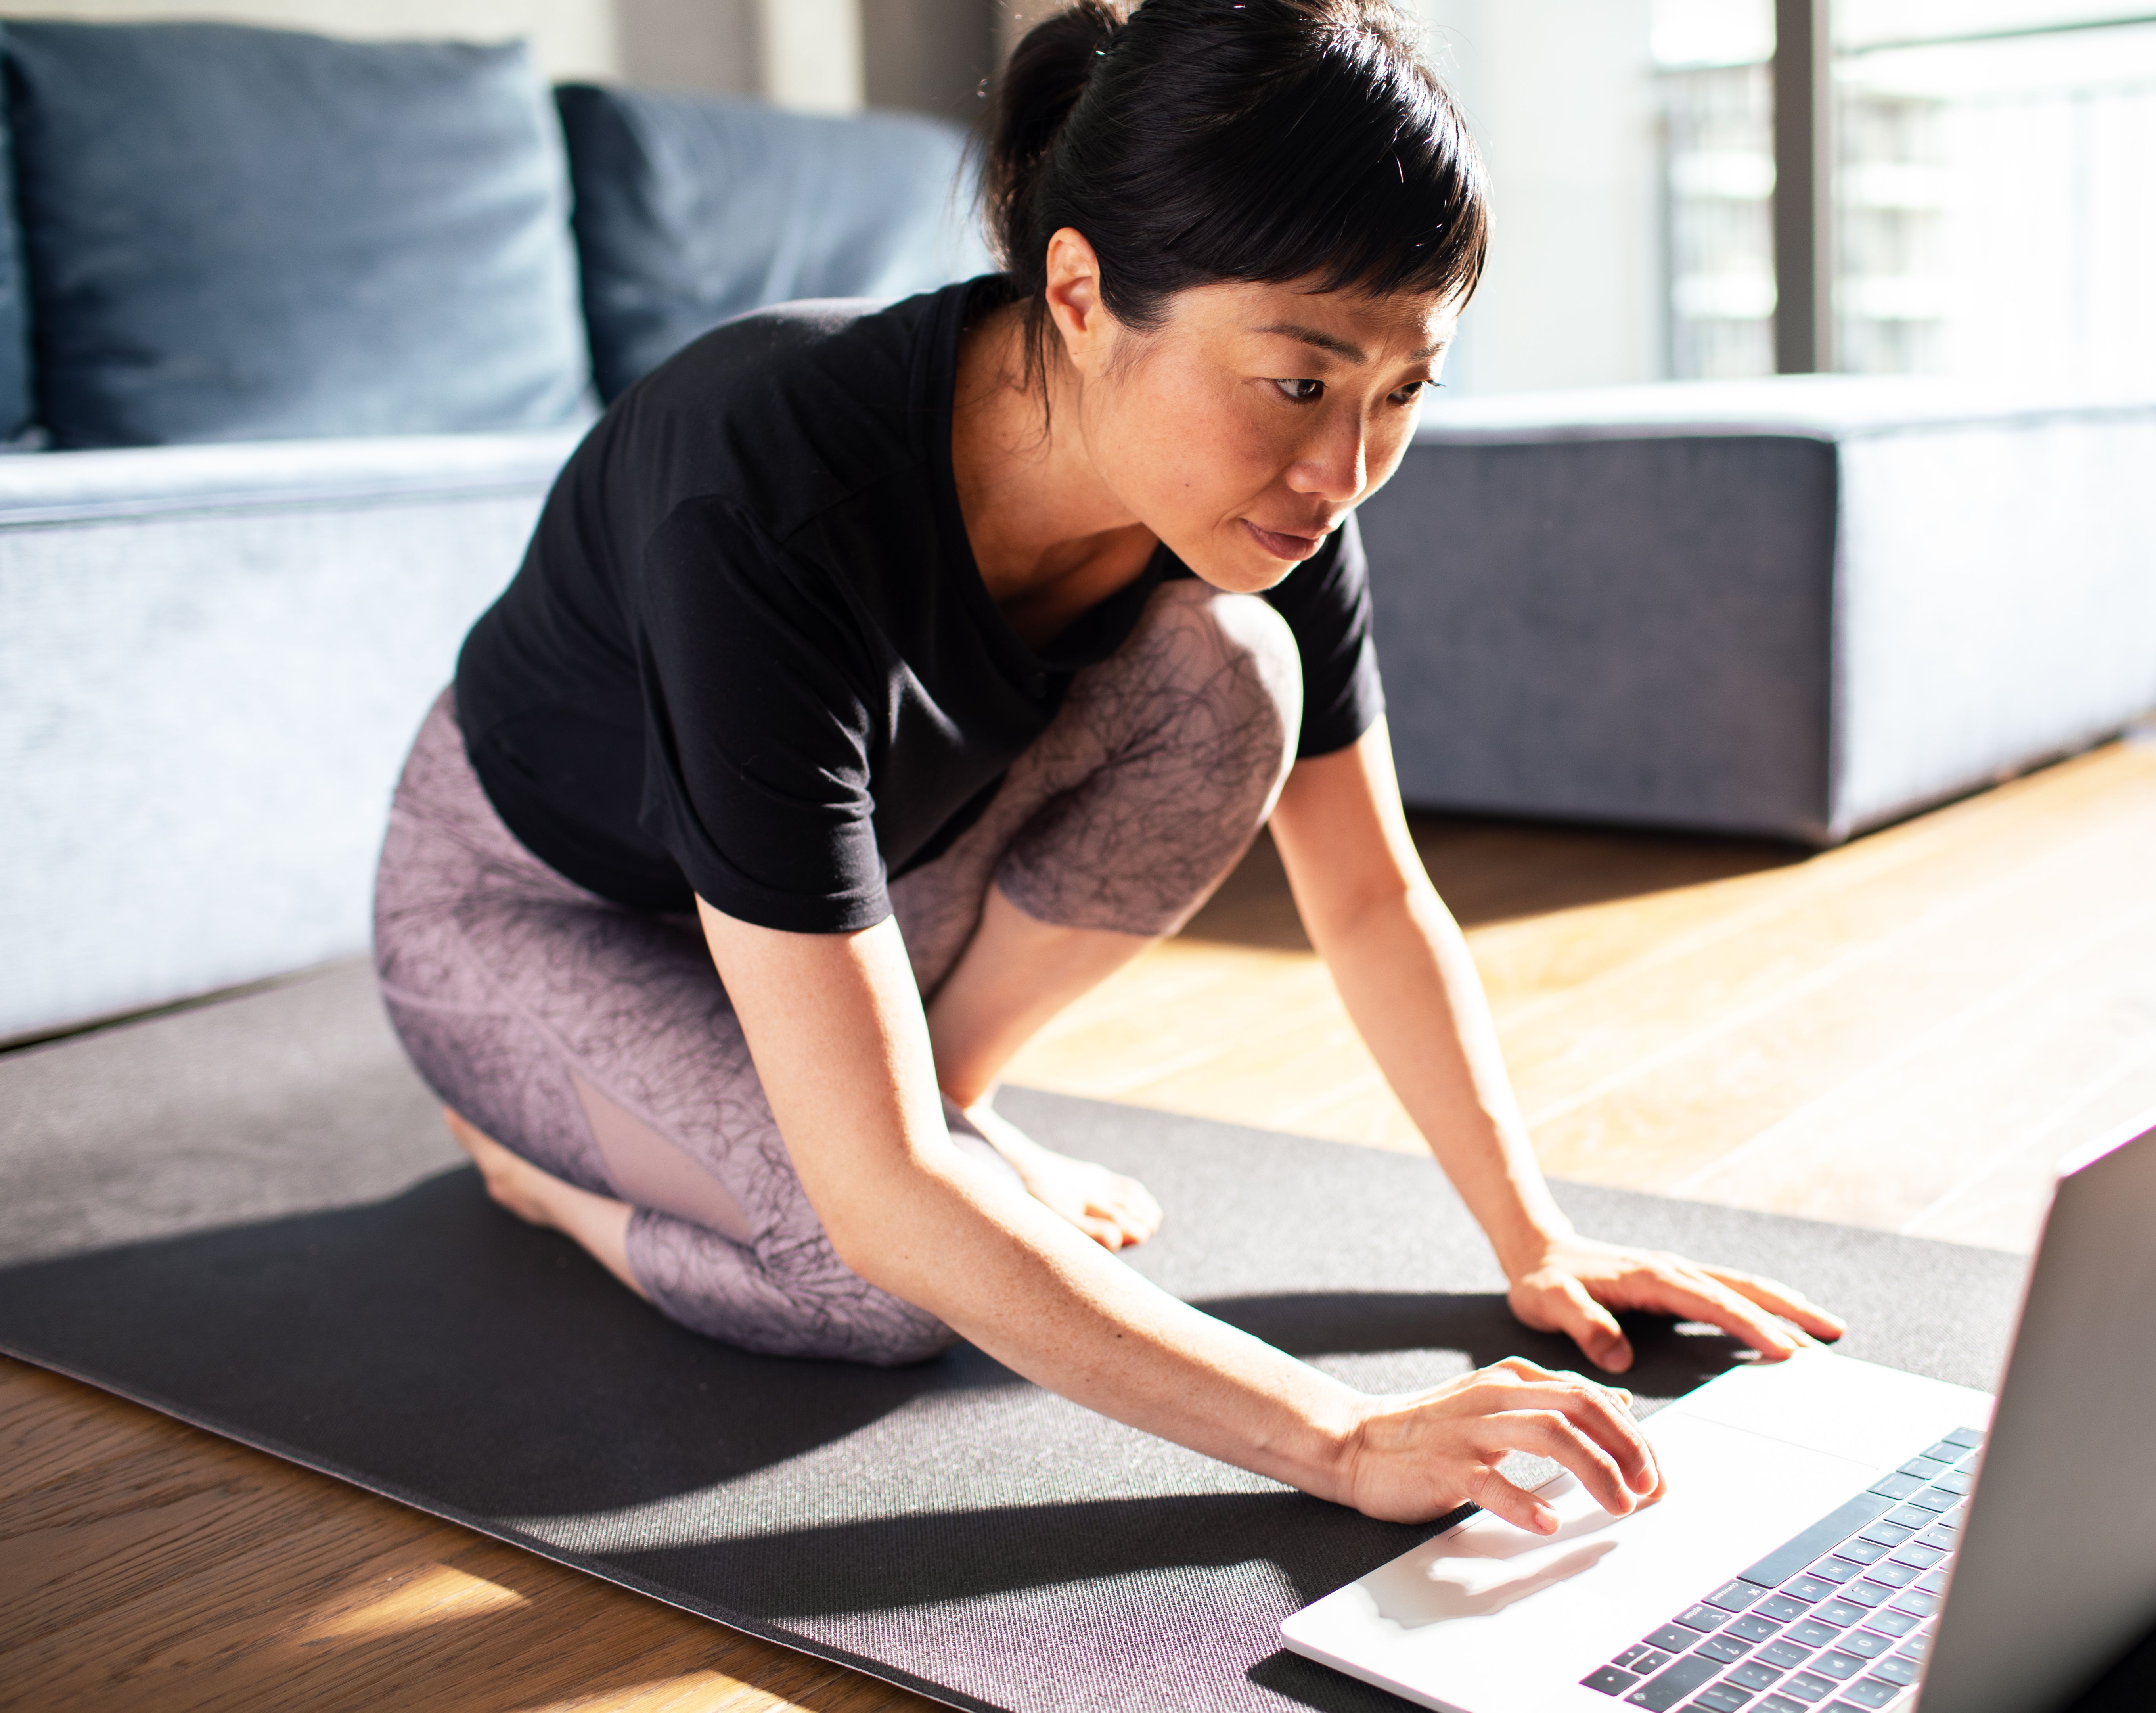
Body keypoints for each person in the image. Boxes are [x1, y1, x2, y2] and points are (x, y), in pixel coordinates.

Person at [373, 0, 1843, 1537]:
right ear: (1078, 291)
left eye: (1402, 392)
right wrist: (1339, 1439)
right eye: (1300, 381)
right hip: (531, 909)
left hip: (836, 891)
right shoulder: (764, 496)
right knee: (859, 1272)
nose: (1342, 472)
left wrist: (1533, 1240)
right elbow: (879, 1210)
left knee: (1233, 674)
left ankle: (934, 1096)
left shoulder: (1273, 508)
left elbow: (1367, 895)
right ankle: (550, 1173)